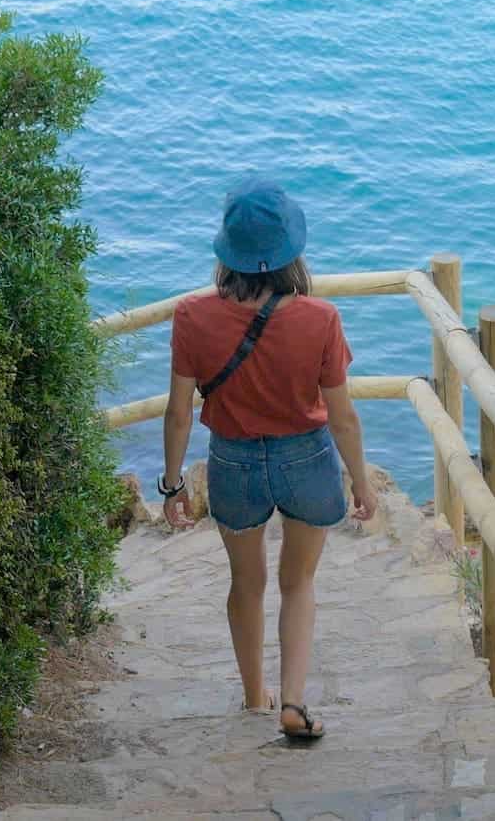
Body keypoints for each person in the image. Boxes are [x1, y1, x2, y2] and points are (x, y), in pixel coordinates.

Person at [159, 177, 377, 739]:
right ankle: (295, 702)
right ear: (290, 253)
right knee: (298, 582)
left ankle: (256, 693)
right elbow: (343, 415)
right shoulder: (320, 319)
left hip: (233, 461)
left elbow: (180, 412)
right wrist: (361, 480)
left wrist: (172, 484)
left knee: (246, 582)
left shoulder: (191, 316)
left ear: (226, 252)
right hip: (306, 456)